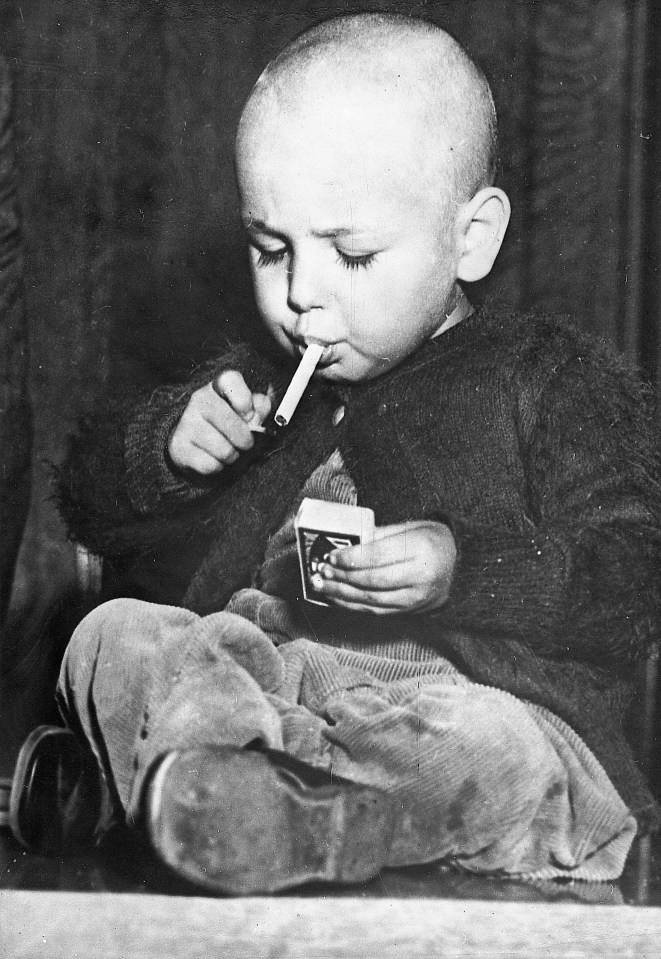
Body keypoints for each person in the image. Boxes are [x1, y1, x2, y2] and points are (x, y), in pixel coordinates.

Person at [10, 13, 661, 894]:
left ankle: (198, 801)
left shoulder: (550, 380)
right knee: (111, 633)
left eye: (350, 254)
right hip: (263, 693)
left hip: (455, 708)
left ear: (470, 238)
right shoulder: (264, 386)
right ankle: (240, 799)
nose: (299, 295)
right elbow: (88, 504)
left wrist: (462, 567)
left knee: (495, 752)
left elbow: (634, 573)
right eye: (269, 247)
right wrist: (165, 450)